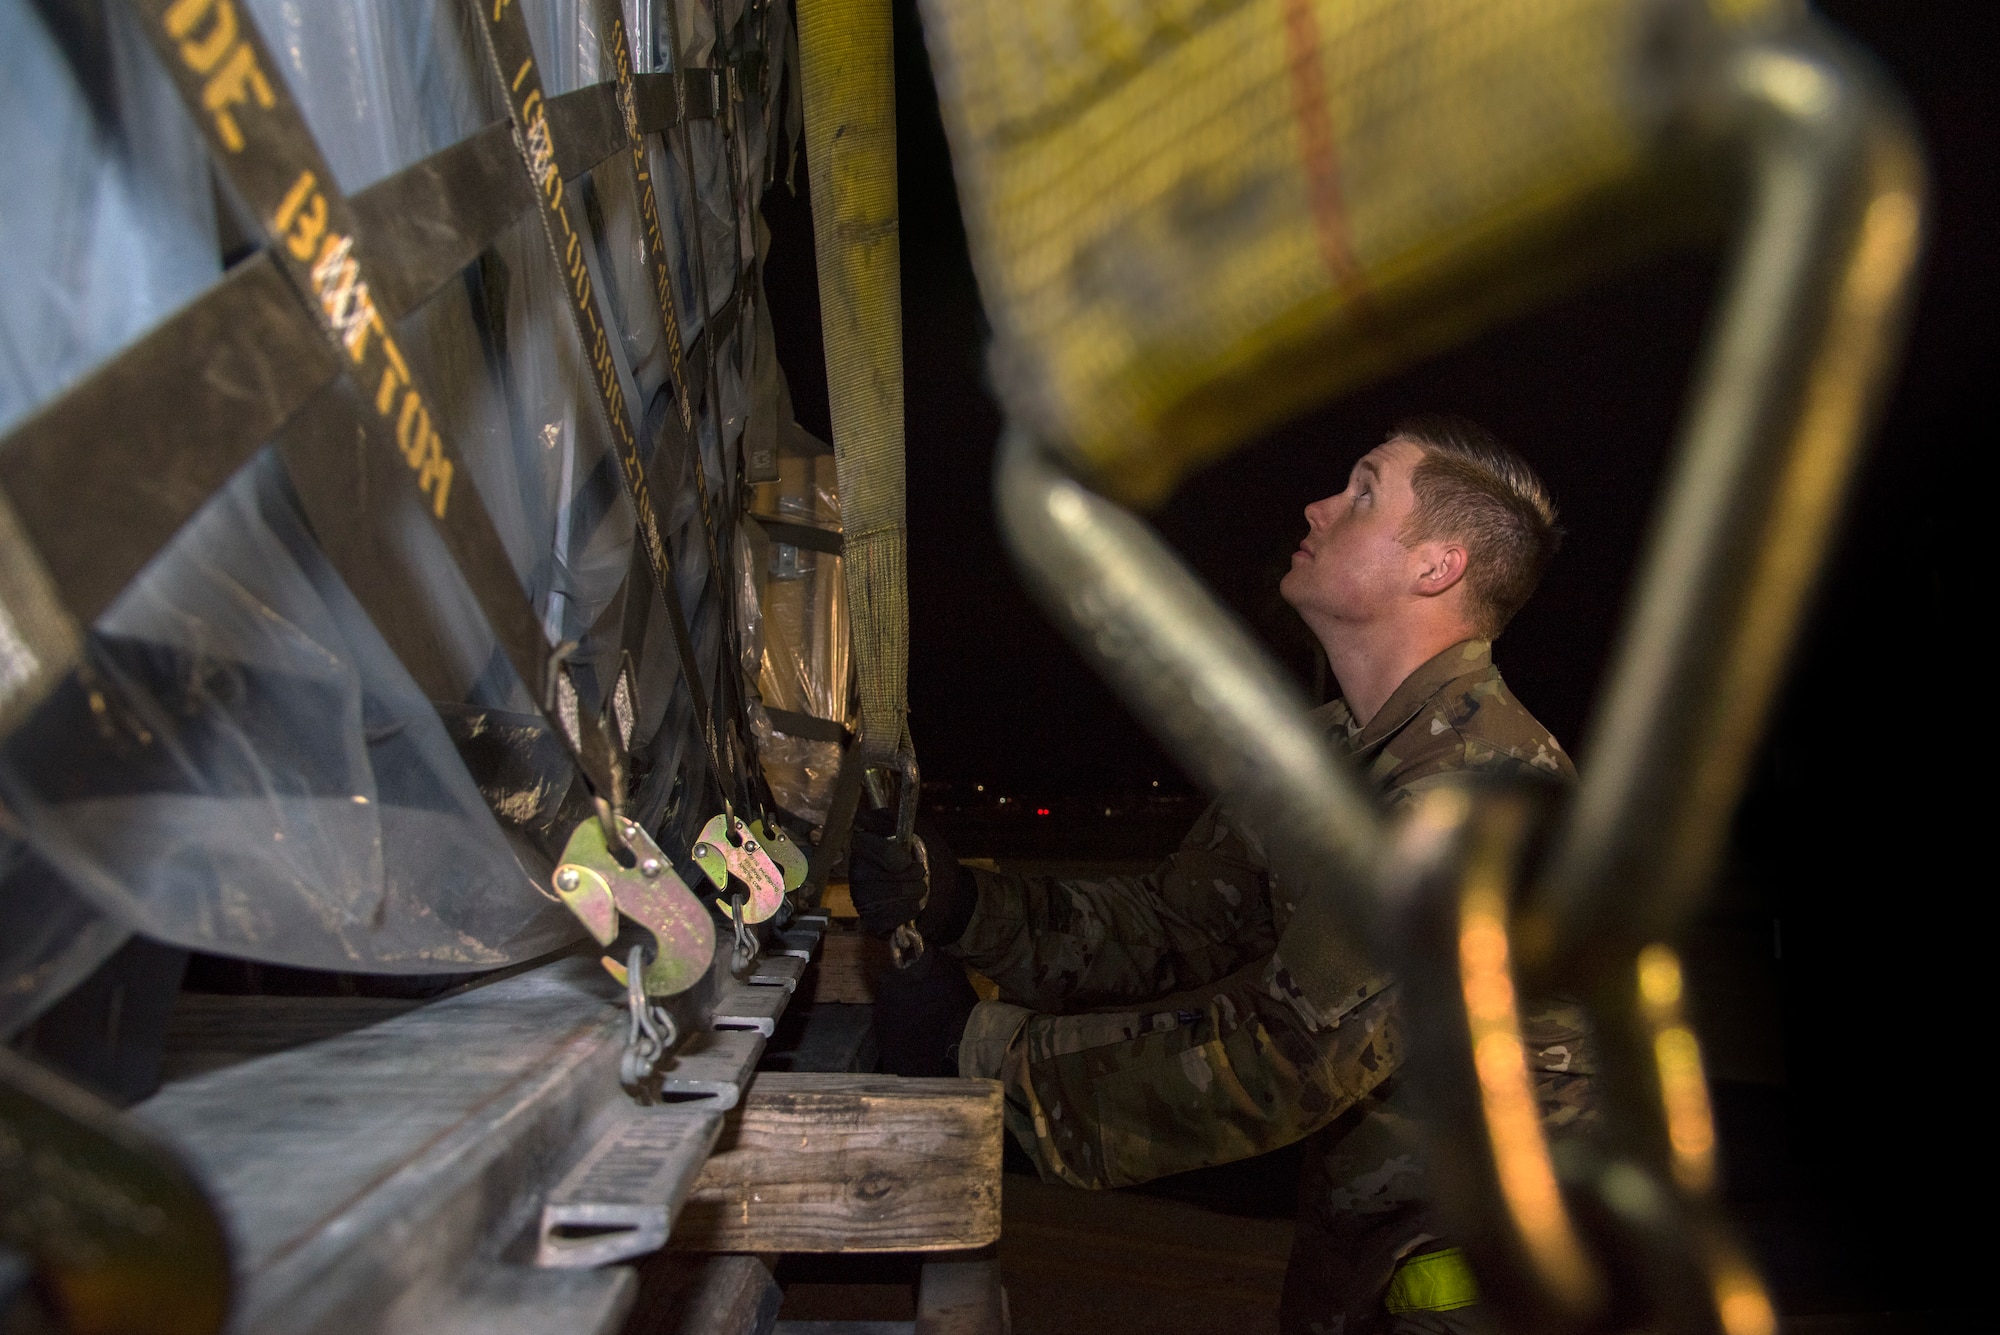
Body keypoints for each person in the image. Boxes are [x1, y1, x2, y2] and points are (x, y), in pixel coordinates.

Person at [850, 416, 1592, 1334]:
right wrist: (962, 903)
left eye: (1363, 492)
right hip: (1365, 1261)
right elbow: (1177, 924)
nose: (1318, 506)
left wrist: (982, 1058)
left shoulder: (1480, 790)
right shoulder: (1324, 754)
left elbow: (1288, 1054)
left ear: (1435, 566)